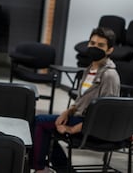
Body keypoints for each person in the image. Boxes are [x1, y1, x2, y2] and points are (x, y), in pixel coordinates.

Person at [32, 27, 120, 173]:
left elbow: (105, 115)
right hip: (79, 118)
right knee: (41, 124)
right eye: (92, 43)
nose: (94, 47)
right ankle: (61, 169)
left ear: (110, 50)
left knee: (40, 122)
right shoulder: (89, 70)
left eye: (100, 45)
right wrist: (67, 111)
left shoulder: (109, 75)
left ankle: (41, 169)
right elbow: (81, 101)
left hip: (92, 127)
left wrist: (72, 129)